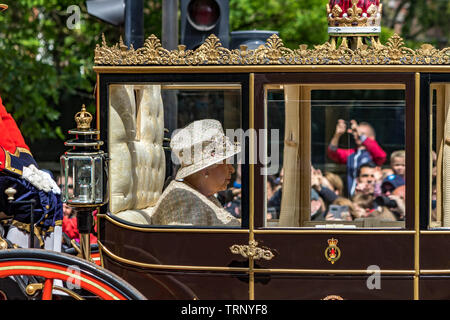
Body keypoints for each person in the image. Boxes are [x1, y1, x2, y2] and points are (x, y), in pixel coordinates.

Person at [150, 119, 241, 226]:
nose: (232, 169)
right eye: (227, 163)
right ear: (206, 169)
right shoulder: (184, 200)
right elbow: (190, 241)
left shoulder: (199, 194)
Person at [327, 119, 386, 196]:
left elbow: (381, 155)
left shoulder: (373, 153)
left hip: (370, 196)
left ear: (372, 137)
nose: (357, 135)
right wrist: (337, 135)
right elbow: (332, 153)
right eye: (355, 132)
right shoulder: (352, 154)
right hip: (352, 196)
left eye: (362, 133)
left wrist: (360, 134)